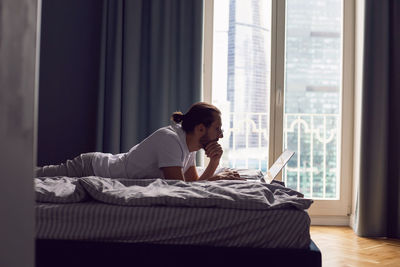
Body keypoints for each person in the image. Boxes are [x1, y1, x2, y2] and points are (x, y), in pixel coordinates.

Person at [35, 102, 241, 181]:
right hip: (90, 168)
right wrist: (216, 176)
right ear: (200, 128)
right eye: (217, 128)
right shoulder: (170, 140)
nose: (220, 135)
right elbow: (180, 189)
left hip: (97, 168)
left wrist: (214, 164)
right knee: (32, 178)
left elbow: (192, 185)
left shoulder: (189, 146)